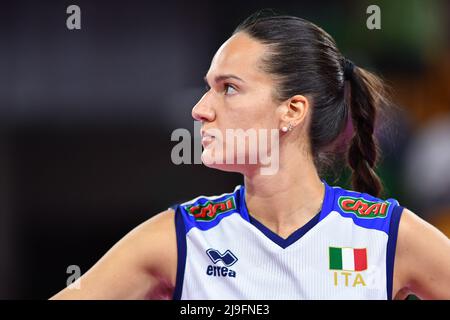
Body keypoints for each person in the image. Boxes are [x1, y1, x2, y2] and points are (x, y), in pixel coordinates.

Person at [50, 10, 450, 300]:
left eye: (229, 88)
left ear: (291, 111)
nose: (201, 108)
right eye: (208, 86)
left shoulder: (387, 235)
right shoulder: (180, 237)